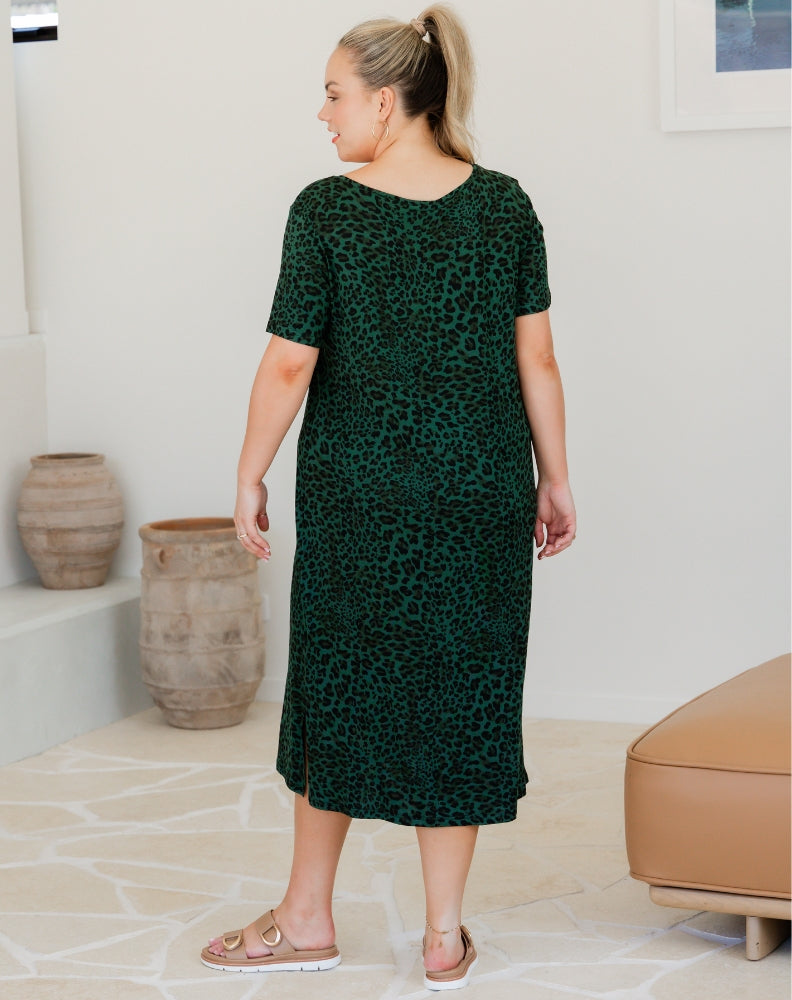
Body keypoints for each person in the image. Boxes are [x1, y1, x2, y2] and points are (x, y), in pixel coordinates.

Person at [201, 4, 576, 991]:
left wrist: (248, 471)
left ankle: (306, 918)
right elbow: (536, 359)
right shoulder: (505, 206)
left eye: (333, 94)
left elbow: (290, 364)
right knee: (461, 692)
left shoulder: (326, 210)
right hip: (482, 491)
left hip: (361, 496)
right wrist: (555, 477)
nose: (323, 113)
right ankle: (444, 937)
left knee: (337, 687)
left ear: (384, 100)